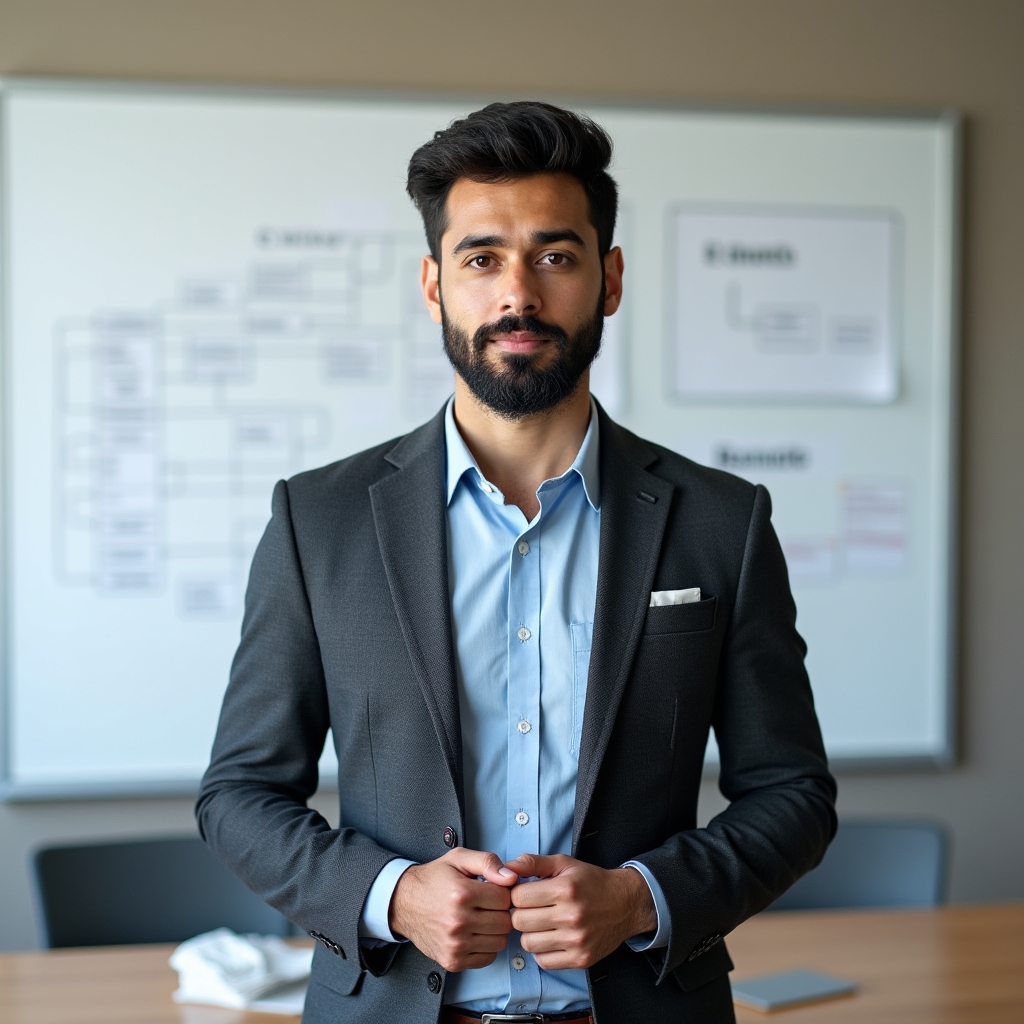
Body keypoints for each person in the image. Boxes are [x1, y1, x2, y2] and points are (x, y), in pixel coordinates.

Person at [196, 101, 836, 1024]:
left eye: (556, 256)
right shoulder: (318, 519)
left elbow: (793, 793)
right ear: (434, 283)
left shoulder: (721, 522)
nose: (518, 295)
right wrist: (391, 894)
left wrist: (641, 898)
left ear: (610, 278)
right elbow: (240, 794)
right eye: (482, 258)